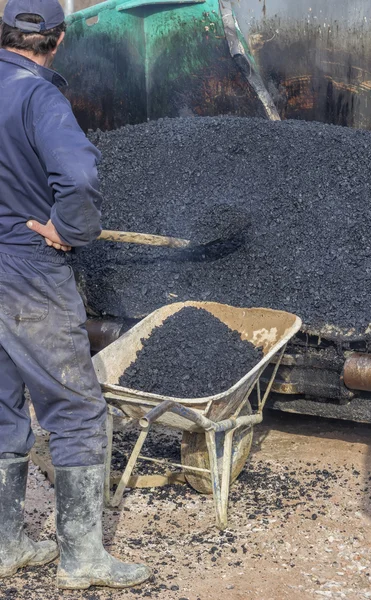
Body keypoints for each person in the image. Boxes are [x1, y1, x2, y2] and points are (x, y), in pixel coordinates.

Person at [0, 0, 151, 590]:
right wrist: (71, 230)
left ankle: (8, 543)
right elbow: (79, 177)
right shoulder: (39, 97)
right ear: (58, 42)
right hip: (27, 268)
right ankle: (83, 558)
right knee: (76, 406)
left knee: (2, 404)